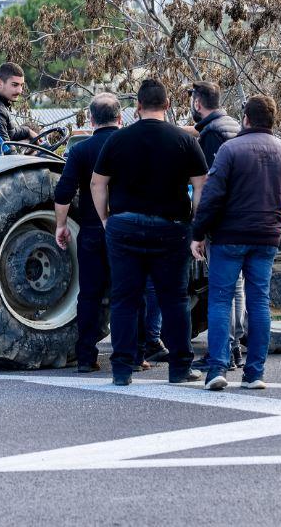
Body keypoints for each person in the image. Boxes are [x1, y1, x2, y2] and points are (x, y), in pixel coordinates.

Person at [91, 79, 208, 386]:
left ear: (137, 108)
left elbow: (97, 183)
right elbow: (200, 186)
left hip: (124, 226)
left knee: (125, 299)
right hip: (171, 228)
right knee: (174, 299)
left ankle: (122, 369)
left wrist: (106, 219)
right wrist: (195, 224)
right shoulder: (185, 141)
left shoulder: (117, 140)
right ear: (168, 106)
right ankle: (181, 367)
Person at [191, 95, 281, 391]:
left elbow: (212, 197)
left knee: (219, 300)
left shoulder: (229, 150)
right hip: (267, 238)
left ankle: (216, 368)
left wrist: (197, 233)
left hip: (229, 237)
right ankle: (254, 373)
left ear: (246, 119)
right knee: (259, 303)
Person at [54, 93, 121, 373]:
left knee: (89, 295)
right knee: (126, 294)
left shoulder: (80, 151)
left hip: (92, 231)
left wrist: (60, 225)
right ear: (120, 118)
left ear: (91, 120)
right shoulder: (128, 145)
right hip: (123, 229)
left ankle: (86, 357)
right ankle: (130, 355)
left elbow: (64, 192)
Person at [188, 81, 246, 373]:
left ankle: (223, 351)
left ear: (198, 103)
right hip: (242, 217)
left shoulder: (212, 135)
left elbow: (209, 187)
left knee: (222, 291)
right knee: (238, 289)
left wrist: (199, 228)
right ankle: (233, 348)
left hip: (222, 223)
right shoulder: (234, 126)